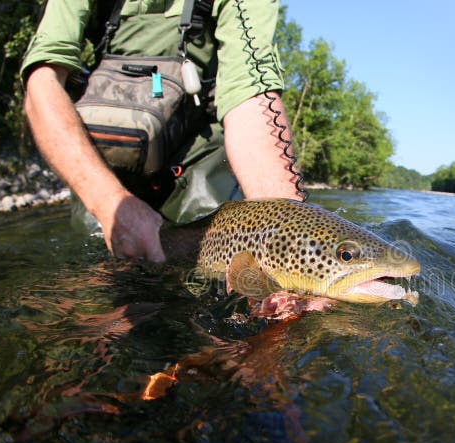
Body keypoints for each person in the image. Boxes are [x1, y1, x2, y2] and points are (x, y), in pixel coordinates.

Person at [21, 0, 305, 263]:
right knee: (99, 277)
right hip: (103, 157)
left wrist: (289, 241)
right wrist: (108, 203)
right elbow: (42, 84)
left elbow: (251, 96)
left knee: (209, 273)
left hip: (195, 148)